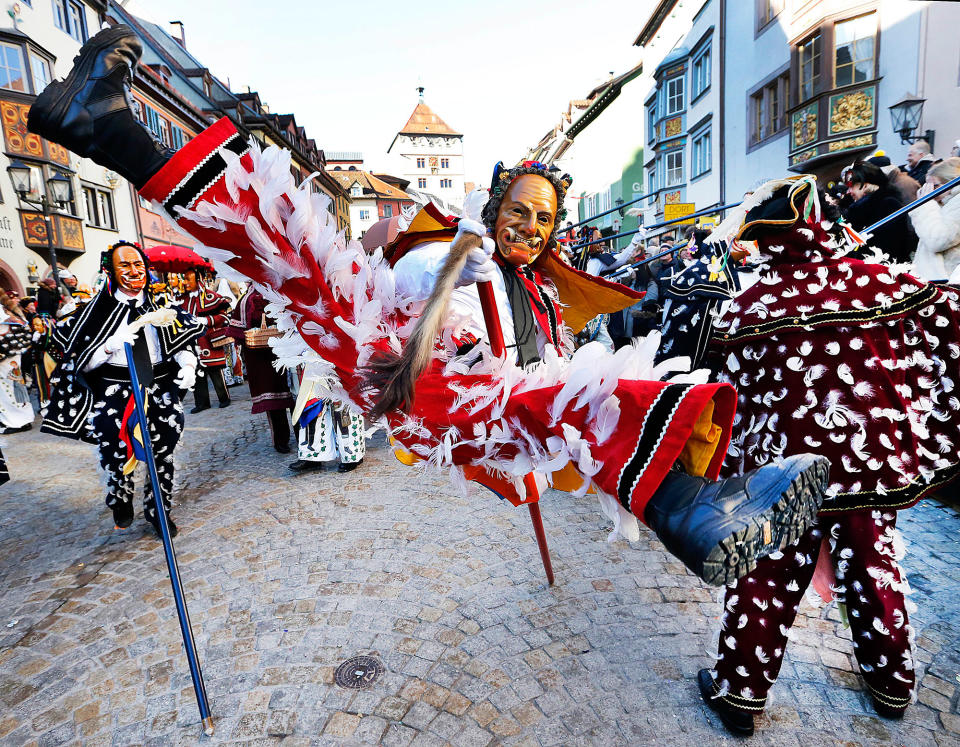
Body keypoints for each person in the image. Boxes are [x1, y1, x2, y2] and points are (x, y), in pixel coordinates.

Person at [27, 25, 832, 587]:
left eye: (544, 220)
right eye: (518, 212)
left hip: (490, 420)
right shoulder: (453, 250)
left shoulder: (544, 289)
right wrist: (429, 281)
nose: (529, 229)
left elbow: (539, 379)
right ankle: (110, 131)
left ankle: (695, 503)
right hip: (427, 380)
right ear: (492, 204)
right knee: (299, 252)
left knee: (572, 392)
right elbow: (407, 314)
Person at [699, 176, 960, 736]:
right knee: (874, 564)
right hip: (866, 463)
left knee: (765, 572)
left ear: (767, 243)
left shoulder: (748, 306)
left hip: (785, 472)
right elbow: (946, 316)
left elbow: (724, 396)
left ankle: (740, 693)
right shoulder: (880, 283)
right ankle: (892, 683)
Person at [41, 241, 203, 536]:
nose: (133, 271)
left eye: (138, 265)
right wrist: (109, 346)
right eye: (124, 266)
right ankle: (120, 494)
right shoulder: (94, 313)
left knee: (163, 448)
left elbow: (178, 340)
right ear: (111, 272)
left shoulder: (159, 306)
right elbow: (81, 364)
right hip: (115, 387)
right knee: (115, 447)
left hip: (156, 383)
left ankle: (159, 510)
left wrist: (189, 362)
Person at [226, 286, 294, 452]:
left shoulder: (283, 287)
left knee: (295, 396)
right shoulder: (248, 298)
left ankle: (304, 436)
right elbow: (240, 327)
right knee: (272, 400)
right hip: (261, 355)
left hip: (286, 350)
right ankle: (281, 440)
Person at [289, 370, 365, 473]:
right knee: (313, 405)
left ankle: (352, 456)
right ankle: (313, 456)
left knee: (344, 410)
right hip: (313, 362)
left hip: (338, 361)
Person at [179, 268, 232, 412]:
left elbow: (225, 317)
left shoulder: (211, 297)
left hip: (208, 341)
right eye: (184, 279)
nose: (184, 283)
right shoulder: (182, 299)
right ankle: (202, 403)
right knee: (197, 374)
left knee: (215, 372)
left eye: (188, 279)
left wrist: (206, 320)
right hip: (192, 343)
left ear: (198, 280)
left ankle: (224, 398)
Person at [843, 161, 917, 263]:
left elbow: (889, 248)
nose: (849, 192)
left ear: (866, 185)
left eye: (852, 186)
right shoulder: (863, 209)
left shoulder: (888, 205)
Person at [909, 157, 960, 281]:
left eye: (935, 185)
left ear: (952, 182)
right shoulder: (944, 203)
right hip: (936, 278)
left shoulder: (957, 203)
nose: (930, 191)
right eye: (927, 185)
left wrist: (925, 206)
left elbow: (938, 240)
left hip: (946, 279)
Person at [0, 291, 34, 434]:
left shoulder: (4, 312)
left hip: (6, 357)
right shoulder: (7, 309)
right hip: (13, 355)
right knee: (15, 388)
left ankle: (16, 421)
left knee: (8, 390)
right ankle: (24, 419)